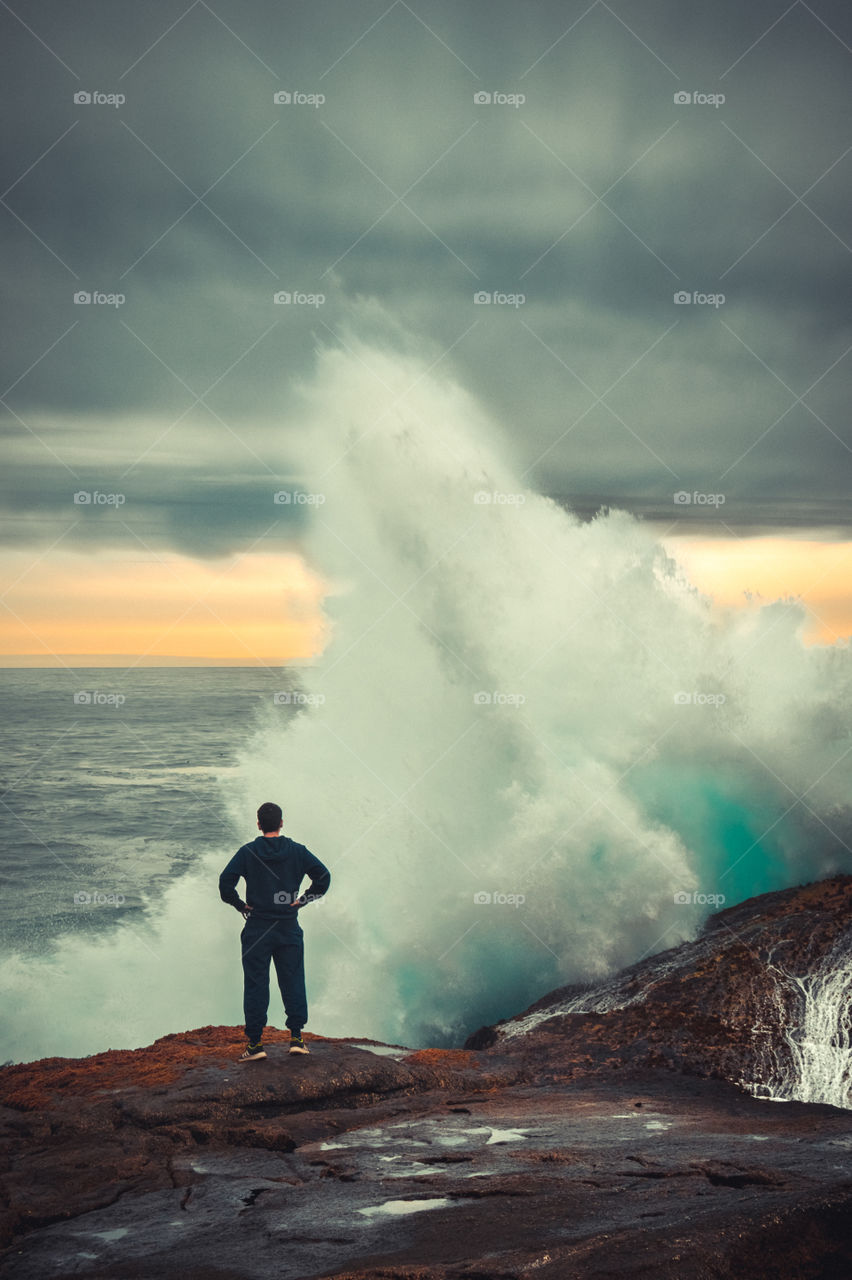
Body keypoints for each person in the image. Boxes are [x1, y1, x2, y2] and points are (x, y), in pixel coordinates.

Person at [219, 801, 331, 1061]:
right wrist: (303, 900)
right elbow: (323, 877)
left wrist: (239, 905)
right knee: (293, 980)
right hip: (288, 926)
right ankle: (296, 1039)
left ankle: (256, 1045)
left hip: (257, 927)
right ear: (281, 823)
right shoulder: (297, 851)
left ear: (258, 825)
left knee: (257, 984)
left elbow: (225, 884)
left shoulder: (248, 852)